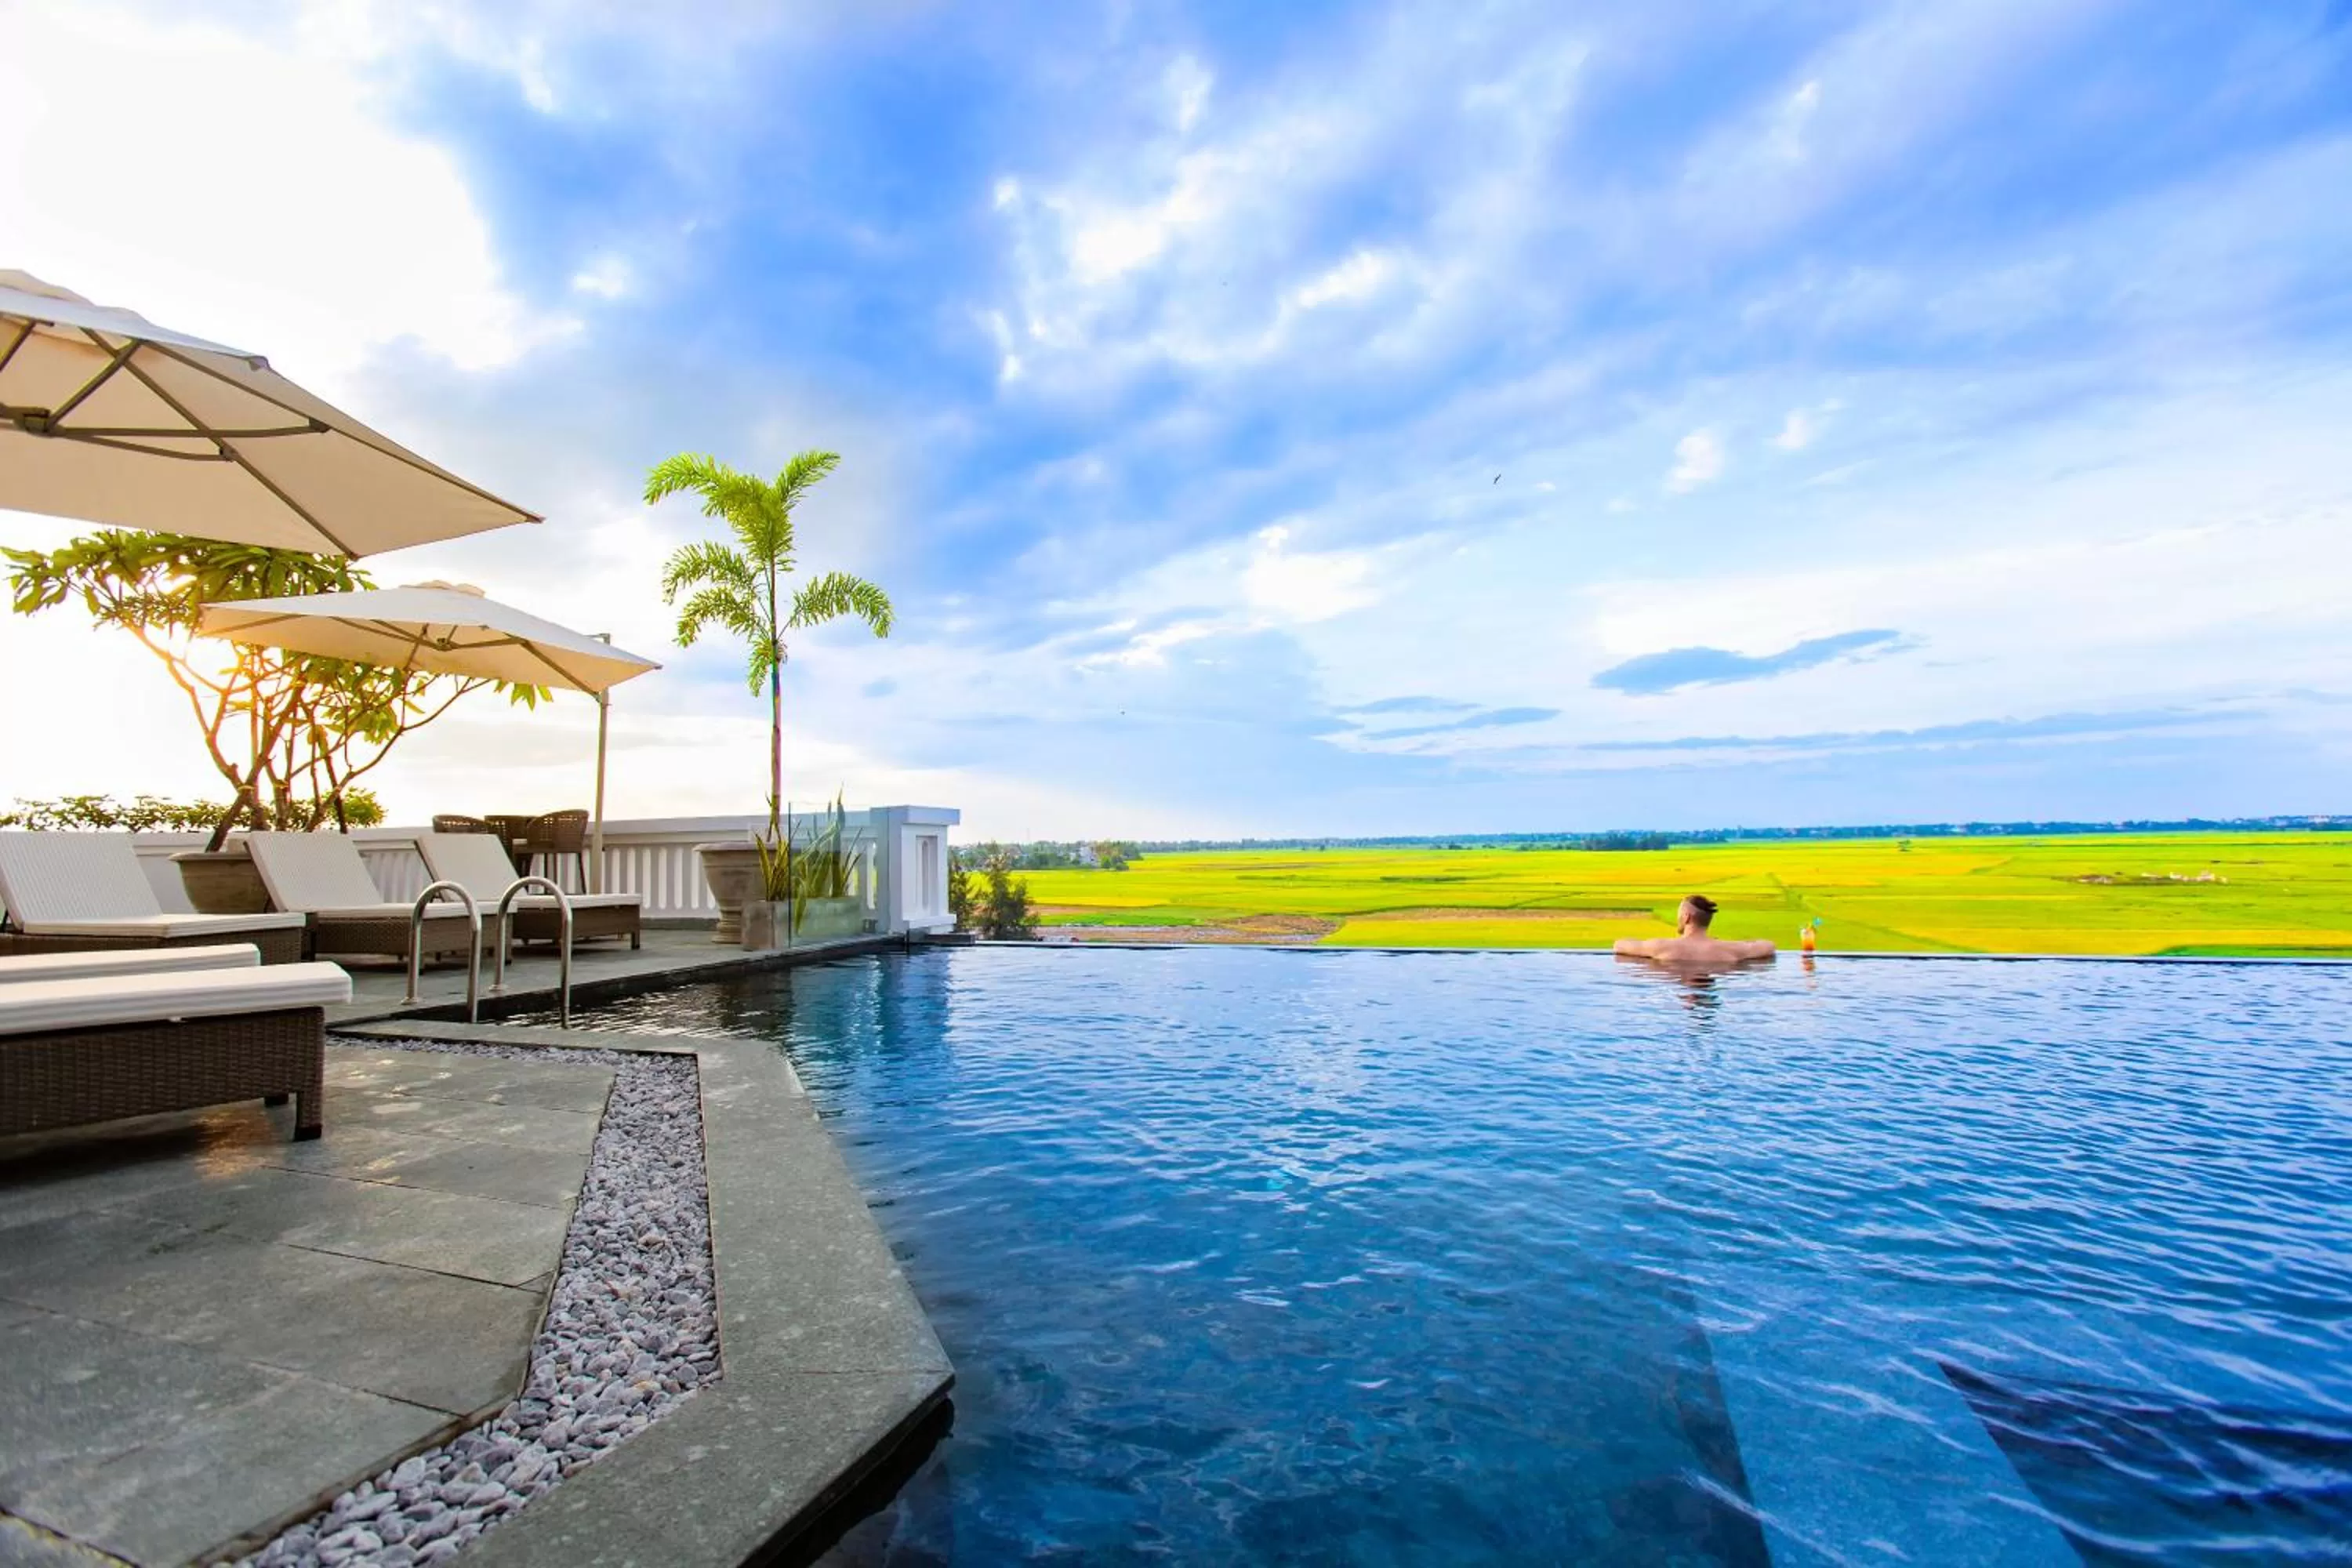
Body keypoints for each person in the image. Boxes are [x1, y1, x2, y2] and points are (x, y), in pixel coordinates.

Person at [1614, 895, 1775, 966]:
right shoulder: (1733, 950)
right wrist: (1741, 944)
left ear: (1686, 917)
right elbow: (1769, 946)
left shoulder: (1660, 947)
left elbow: (1619, 945)